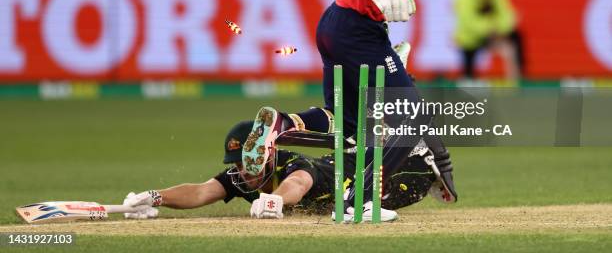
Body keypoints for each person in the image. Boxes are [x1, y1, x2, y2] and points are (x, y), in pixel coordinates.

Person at [242, 0, 473, 222]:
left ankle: (282, 124)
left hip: (343, 26)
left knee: (348, 126)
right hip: (355, 31)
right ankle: (357, 201)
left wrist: (387, 41)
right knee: (413, 118)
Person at [123, 120, 439, 220]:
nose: (242, 172)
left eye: (249, 163)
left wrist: (275, 200)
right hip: (351, 164)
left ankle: (418, 148)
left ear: (267, 154)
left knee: (384, 195)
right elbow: (202, 190)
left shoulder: (291, 163)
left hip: (398, 174)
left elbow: (299, 183)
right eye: (237, 165)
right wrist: (155, 197)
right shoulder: (242, 175)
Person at [454, 0, 524, 79]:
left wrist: (499, 28)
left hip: (493, 33)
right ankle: (468, 79)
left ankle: (519, 77)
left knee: (516, 37)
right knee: (468, 62)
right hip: (471, 37)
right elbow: (467, 20)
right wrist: (488, 28)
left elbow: (506, 12)